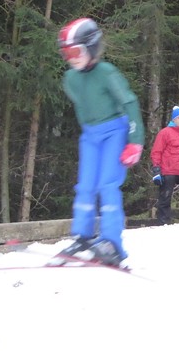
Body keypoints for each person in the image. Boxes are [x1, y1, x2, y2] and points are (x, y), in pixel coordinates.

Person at [54, 17, 144, 266]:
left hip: (115, 132)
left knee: (107, 184)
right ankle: (83, 237)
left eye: (75, 51)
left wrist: (135, 140)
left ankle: (111, 243)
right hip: (90, 136)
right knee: (85, 186)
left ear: (91, 47)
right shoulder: (70, 79)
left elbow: (129, 102)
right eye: (65, 53)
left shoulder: (107, 73)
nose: (71, 58)